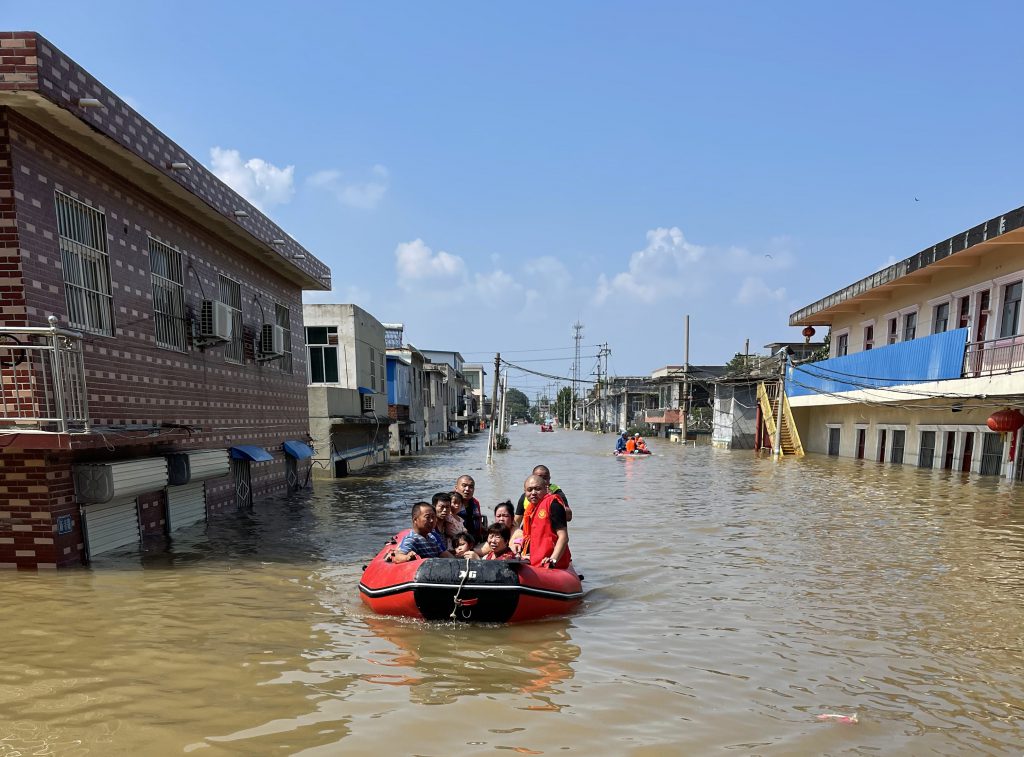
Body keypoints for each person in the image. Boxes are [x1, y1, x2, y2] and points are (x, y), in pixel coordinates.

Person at [520, 474, 570, 569]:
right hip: (537, 561)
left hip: (554, 563)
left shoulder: (554, 505)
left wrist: (553, 560)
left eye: (537, 489)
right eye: (529, 490)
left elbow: (563, 537)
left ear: (546, 489)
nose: (533, 493)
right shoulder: (530, 510)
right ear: (525, 492)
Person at [386, 502, 453, 563]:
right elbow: (397, 557)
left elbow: (443, 554)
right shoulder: (412, 539)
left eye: (433, 517)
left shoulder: (432, 537)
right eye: (427, 517)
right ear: (415, 520)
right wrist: (407, 557)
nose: (432, 520)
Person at [455, 475, 485, 541]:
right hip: (458, 541)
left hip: (475, 539)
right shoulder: (450, 503)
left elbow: (479, 521)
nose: (467, 489)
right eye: (464, 485)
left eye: (471, 486)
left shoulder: (475, 503)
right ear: (456, 488)